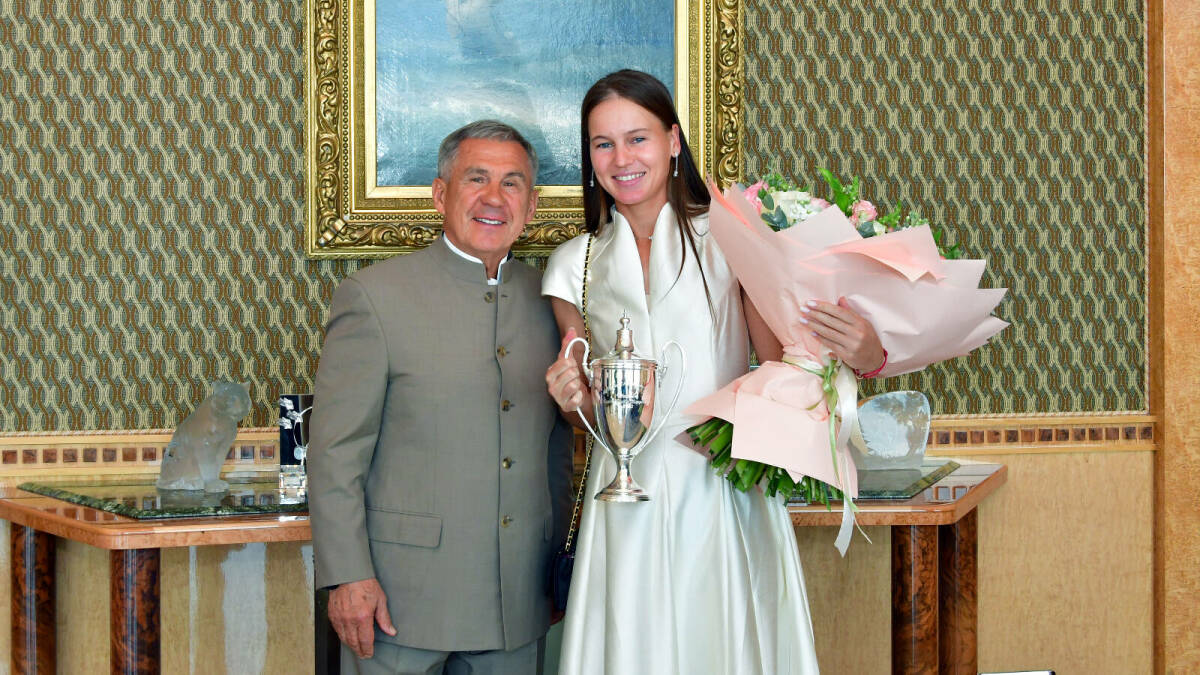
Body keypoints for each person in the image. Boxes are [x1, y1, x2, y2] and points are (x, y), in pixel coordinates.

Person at [542, 70, 886, 673]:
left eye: (637, 138)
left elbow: (784, 367)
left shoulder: (730, 239)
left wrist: (865, 350)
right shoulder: (574, 264)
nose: (621, 159)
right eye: (603, 144)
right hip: (623, 497)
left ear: (673, 140)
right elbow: (590, 414)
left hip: (721, 486)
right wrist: (571, 397)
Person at [308, 120, 575, 675]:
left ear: (531, 205)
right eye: (476, 179)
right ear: (440, 194)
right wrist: (347, 575)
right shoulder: (374, 297)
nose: (494, 198)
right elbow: (335, 454)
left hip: (517, 602)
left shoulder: (551, 300)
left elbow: (555, 452)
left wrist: (555, 568)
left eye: (512, 183)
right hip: (398, 604)